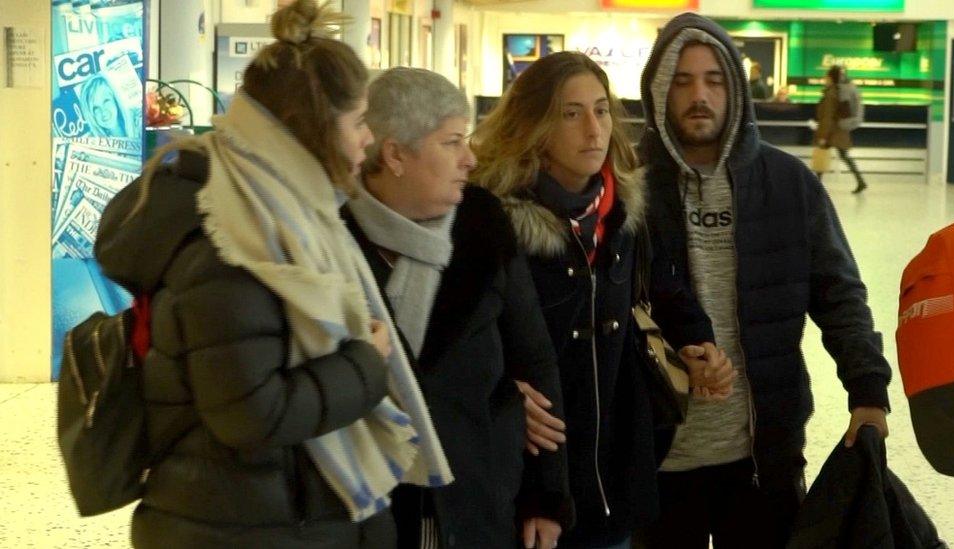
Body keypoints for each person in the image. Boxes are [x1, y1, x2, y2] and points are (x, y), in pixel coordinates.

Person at [93, 2, 453, 547]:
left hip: (278, 515)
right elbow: (251, 415)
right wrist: (365, 362)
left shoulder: (294, 220)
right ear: (312, 130)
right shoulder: (233, 242)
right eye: (358, 123)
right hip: (240, 525)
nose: (367, 141)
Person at [636, 13, 892, 548]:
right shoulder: (628, 188)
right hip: (654, 453)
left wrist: (867, 389)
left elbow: (839, 292)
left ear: (735, 88)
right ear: (658, 89)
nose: (698, 95)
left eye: (713, 79)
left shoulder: (788, 184)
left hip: (762, 452)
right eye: (681, 81)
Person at [471, 51, 734, 549]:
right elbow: (457, 344)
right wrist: (500, 395)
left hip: (613, 478)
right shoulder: (492, 221)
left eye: (601, 110)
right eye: (571, 114)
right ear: (536, 124)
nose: (594, 129)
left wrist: (699, 343)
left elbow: (663, 288)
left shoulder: (626, 213)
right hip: (525, 480)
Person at [343, 67, 572, 549]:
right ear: (395, 155)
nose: (470, 159)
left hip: (478, 498)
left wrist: (545, 495)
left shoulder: (482, 222)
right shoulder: (334, 237)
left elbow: (535, 359)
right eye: (452, 142)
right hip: (368, 507)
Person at [815, 64, 868, 193]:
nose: (824, 79)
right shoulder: (839, 91)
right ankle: (860, 181)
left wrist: (823, 135)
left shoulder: (831, 93)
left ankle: (816, 185)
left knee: (822, 154)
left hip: (832, 131)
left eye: (826, 77)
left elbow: (827, 116)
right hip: (840, 129)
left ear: (831, 78)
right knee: (843, 155)